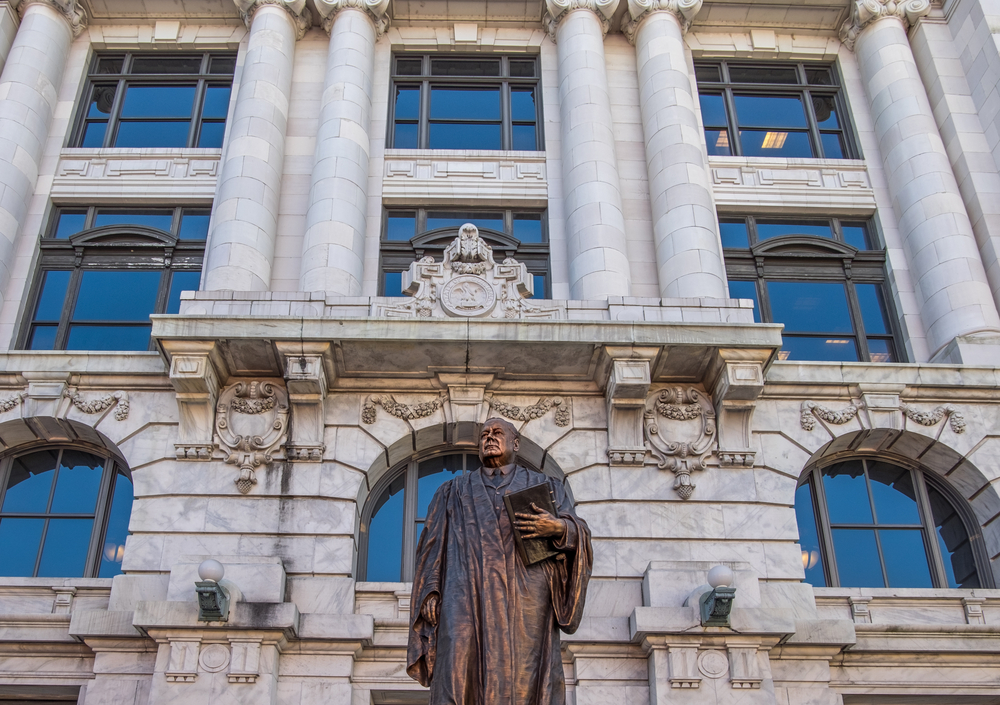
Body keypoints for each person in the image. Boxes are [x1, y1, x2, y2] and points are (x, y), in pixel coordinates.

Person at [406, 417, 592, 705]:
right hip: (465, 592)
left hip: (526, 594)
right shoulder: (451, 491)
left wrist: (557, 528)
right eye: (484, 435)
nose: (489, 438)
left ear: (516, 443)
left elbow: (579, 533)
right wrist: (431, 589)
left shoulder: (545, 486)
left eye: (497, 433)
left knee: (524, 673)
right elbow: (432, 545)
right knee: (456, 664)